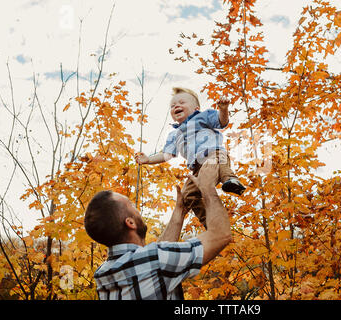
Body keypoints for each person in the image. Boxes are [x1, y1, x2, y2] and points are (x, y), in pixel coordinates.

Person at [84, 160, 232, 300]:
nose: (137, 211)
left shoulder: (103, 274)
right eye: (131, 206)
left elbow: (151, 263)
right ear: (130, 223)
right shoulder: (154, 260)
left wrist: (179, 211)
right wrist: (207, 188)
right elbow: (221, 235)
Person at [135, 87, 245, 227]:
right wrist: (148, 160)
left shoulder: (203, 116)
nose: (176, 106)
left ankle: (231, 180)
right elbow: (167, 154)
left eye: (181, 102)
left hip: (214, 152)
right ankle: (209, 223)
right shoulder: (174, 135)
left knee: (219, 163)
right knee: (187, 195)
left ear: (196, 108)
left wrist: (223, 109)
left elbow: (221, 122)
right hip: (196, 169)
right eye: (173, 105)